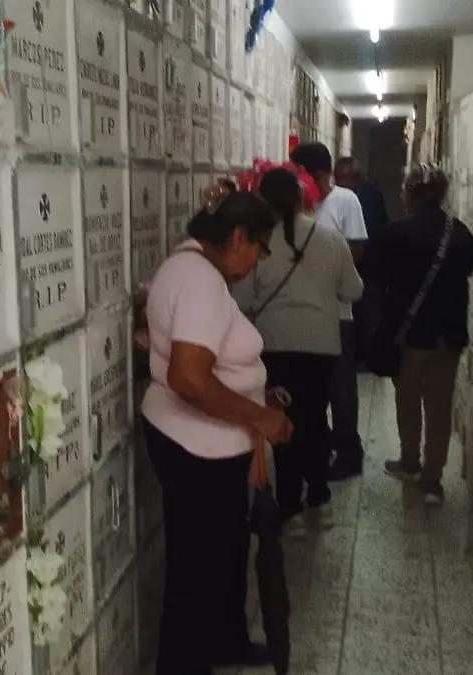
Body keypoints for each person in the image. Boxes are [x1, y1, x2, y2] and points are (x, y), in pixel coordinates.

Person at [141, 188, 295, 674]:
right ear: (236, 236)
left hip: (200, 443)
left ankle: (225, 641)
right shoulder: (201, 282)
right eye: (260, 247)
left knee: (223, 557)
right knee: (198, 574)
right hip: (197, 450)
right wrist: (258, 417)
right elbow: (188, 376)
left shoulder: (187, 268)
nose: (257, 260)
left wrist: (256, 398)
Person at [232, 167, 363, 533]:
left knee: (283, 422)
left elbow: (242, 298)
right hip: (321, 346)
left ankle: (289, 509)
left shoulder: (259, 242)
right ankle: (319, 501)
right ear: (301, 198)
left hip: (274, 345)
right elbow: (354, 291)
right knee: (316, 421)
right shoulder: (331, 240)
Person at [365, 164, 473, 506]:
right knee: (440, 406)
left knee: (408, 399)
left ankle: (410, 460)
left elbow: (376, 276)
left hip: (411, 334)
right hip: (449, 335)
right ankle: (433, 480)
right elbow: (466, 272)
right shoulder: (461, 234)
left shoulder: (397, 232)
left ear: (410, 193)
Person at [289, 142, 369, 481]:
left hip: (337, 314)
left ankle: (349, 451)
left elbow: (356, 251)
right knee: (310, 388)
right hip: (301, 316)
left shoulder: (345, 201)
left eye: (305, 177)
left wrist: (322, 274)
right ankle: (316, 450)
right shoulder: (296, 206)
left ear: (322, 176)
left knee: (341, 388)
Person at [334, 156, 389, 372]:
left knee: (367, 312)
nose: (338, 182)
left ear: (353, 177)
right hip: (358, 267)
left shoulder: (366, 197)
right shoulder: (353, 195)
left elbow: (368, 236)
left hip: (369, 269)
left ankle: (366, 358)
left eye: (342, 178)